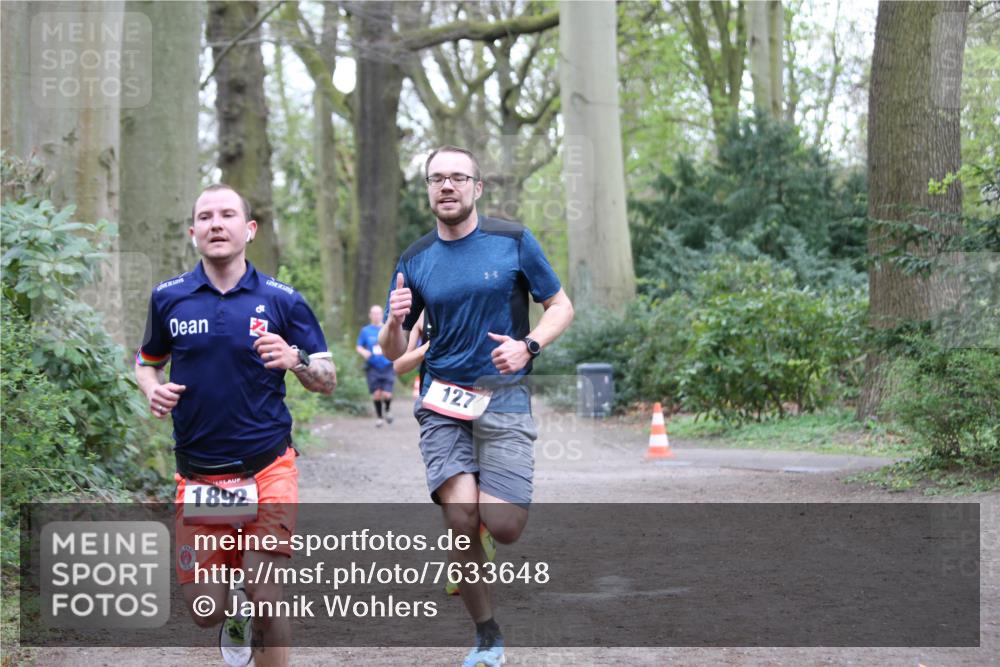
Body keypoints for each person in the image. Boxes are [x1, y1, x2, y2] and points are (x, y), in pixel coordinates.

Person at [379, 146, 574, 667]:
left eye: (457, 178)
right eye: (436, 178)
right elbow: (393, 355)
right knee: (461, 517)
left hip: (503, 396)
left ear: (477, 188)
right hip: (441, 401)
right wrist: (395, 323)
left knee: (503, 525)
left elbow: (560, 305)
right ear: (427, 189)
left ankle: (483, 531)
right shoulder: (415, 259)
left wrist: (527, 345)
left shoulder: (512, 241)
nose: (447, 186)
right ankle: (487, 635)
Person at [134, 184, 336, 667]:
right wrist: (150, 389)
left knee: (266, 593)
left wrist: (295, 358)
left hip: (268, 467)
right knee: (206, 611)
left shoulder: (283, 300)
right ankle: (232, 611)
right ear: (193, 233)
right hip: (199, 474)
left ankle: (256, 608)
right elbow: (146, 362)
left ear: (249, 229)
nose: (216, 224)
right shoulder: (169, 298)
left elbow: (327, 380)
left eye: (227, 215)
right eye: (205, 217)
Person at [356, 304, 396, 426]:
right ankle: (379, 417)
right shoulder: (365, 331)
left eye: (378, 313)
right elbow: (359, 346)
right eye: (373, 313)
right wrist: (364, 352)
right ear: (370, 315)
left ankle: (388, 410)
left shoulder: (387, 328)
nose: (376, 316)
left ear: (382, 315)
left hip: (387, 365)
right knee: (377, 393)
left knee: (387, 393)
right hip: (373, 366)